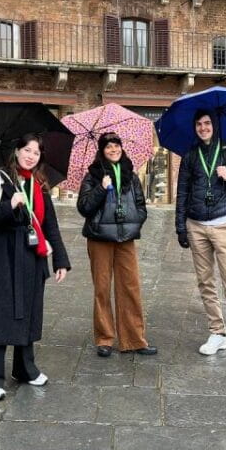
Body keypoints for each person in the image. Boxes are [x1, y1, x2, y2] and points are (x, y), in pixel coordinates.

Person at [0, 133, 70, 401]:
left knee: (29, 312)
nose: (31, 156)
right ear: (16, 151)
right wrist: (8, 205)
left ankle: (24, 369)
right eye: (26, 150)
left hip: (33, 258)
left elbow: (50, 224)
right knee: (2, 313)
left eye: (36, 153)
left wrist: (60, 258)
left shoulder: (39, 185)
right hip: (6, 256)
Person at [175, 110, 226, 366]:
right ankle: (217, 333)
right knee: (206, 282)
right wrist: (181, 227)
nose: (203, 127)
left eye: (207, 123)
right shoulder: (190, 155)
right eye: (198, 124)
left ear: (215, 125)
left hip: (223, 223)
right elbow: (182, 193)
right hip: (196, 224)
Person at [77, 132, 157, 358]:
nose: (113, 149)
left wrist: (135, 220)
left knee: (130, 288)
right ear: (101, 150)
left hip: (126, 239)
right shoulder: (93, 175)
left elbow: (141, 204)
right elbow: (84, 207)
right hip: (100, 238)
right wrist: (101, 188)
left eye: (116, 146)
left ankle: (134, 339)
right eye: (108, 147)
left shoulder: (130, 175)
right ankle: (104, 339)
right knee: (102, 289)